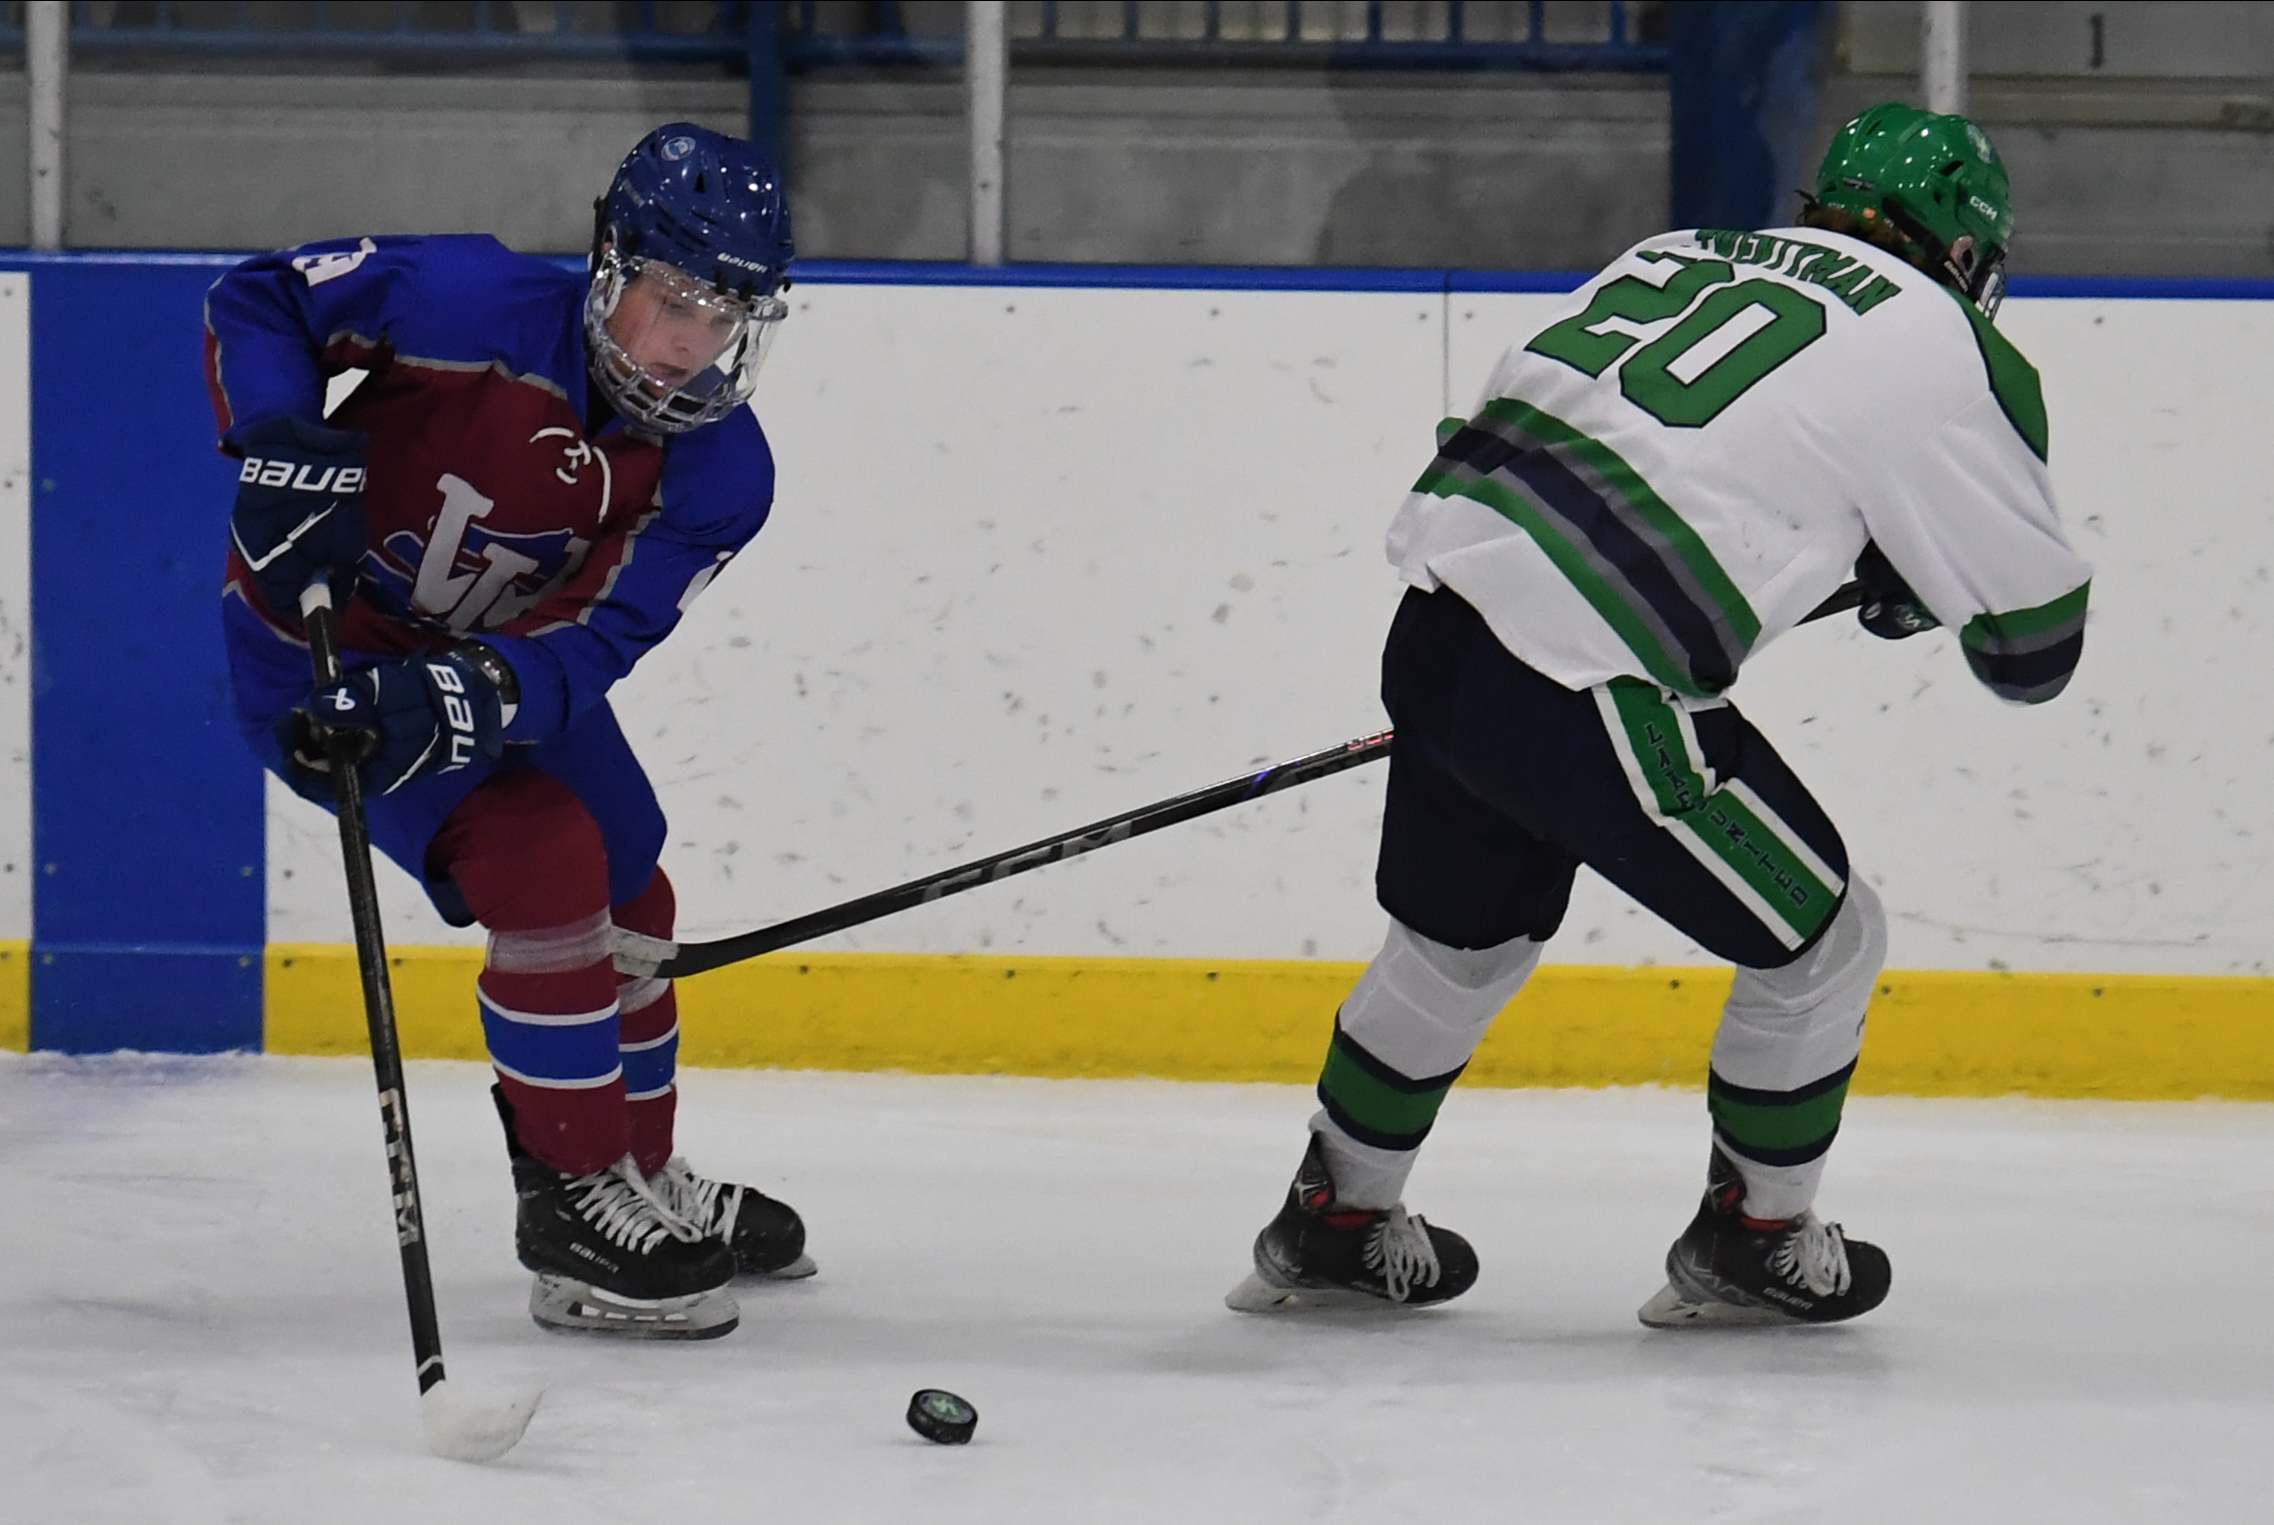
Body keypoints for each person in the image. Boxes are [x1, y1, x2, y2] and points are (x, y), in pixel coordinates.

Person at [1227, 103, 2091, 1325]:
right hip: (1593, 684)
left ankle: (1337, 1217)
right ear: (1963, 247)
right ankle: (1758, 1237)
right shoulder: (1947, 343)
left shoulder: (1672, 254)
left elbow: (1512, 439)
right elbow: (2035, 650)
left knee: (1458, 944)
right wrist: (1907, 589)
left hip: (1436, 629)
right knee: (1824, 943)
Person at [207, 123, 813, 1340]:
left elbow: (596, 642)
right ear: (610, 260)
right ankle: (570, 1200)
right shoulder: (462, 298)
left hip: (490, 673)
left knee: (633, 872)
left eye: (726, 312)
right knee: (542, 863)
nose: (690, 342)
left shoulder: (720, 473)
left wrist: (475, 694)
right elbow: (262, 295)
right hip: (328, 661)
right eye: (673, 298)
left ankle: (639, 1174)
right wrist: (282, 440)